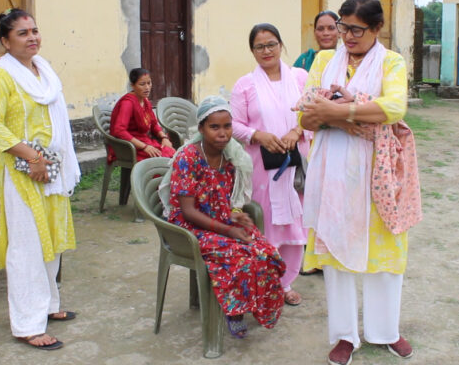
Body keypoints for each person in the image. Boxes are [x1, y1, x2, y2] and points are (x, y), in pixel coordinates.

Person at [298, 0, 423, 365]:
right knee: (336, 254)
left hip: (377, 173)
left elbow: (393, 107)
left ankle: (385, 330)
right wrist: (343, 116)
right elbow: (305, 118)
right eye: (343, 27)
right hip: (333, 172)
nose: (347, 37)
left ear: (377, 29)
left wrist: (336, 111)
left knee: (385, 253)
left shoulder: (391, 62)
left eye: (356, 29)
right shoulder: (324, 60)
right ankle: (343, 336)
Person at [0, 8, 81, 350]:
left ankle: (48, 306)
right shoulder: (0, 77)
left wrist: (46, 160)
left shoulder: (45, 72)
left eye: (34, 30)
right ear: (6, 42)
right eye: (22, 33)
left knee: (49, 239)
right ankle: (26, 324)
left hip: (51, 169)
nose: (32, 37)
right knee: (27, 246)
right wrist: (32, 157)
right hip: (22, 171)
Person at [159, 95, 286, 339]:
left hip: (217, 220)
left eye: (227, 126)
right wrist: (227, 230)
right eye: (214, 127)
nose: (222, 133)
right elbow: (188, 211)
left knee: (264, 250)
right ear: (201, 129)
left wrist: (236, 215)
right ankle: (234, 311)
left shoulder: (231, 156)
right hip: (189, 229)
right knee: (240, 255)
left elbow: (223, 200)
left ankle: (252, 303)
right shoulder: (188, 158)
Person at [231, 23, 310, 306]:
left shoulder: (300, 78)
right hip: (262, 168)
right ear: (252, 51)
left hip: (295, 163)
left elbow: (312, 113)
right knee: (267, 225)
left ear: (281, 45)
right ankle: (265, 281)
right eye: (259, 46)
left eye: (271, 44)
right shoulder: (245, 85)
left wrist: (296, 132)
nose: (266, 51)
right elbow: (234, 125)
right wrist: (258, 135)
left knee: (295, 224)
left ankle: (286, 283)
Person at [108, 68, 175, 163]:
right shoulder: (128, 103)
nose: (147, 87)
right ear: (133, 85)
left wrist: (164, 138)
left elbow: (154, 124)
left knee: (172, 154)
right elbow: (119, 130)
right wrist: (144, 147)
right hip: (129, 146)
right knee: (162, 161)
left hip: (144, 141)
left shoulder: (145, 101)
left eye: (149, 83)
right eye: (142, 84)